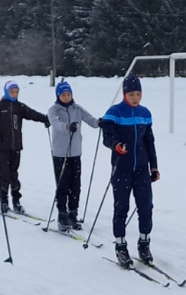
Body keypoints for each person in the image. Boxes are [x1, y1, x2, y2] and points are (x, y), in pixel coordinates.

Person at [102, 74, 160, 267]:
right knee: (121, 208)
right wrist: (116, 145)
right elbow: (107, 137)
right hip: (122, 170)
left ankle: (144, 244)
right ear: (124, 94)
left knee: (146, 207)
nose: (135, 98)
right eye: (131, 94)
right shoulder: (115, 112)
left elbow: (149, 142)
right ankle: (120, 246)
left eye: (138, 94)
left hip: (141, 170)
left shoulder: (145, 113)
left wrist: (154, 166)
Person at [0, 80, 50, 214]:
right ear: (6, 92)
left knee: (14, 174)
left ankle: (16, 202)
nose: (14, 94)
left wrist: (44, 118)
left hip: (16, 146)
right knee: (4, 174)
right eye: (11, 92)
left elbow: (32, 114)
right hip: (3, 146)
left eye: (16, 92)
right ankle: (3, 202)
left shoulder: (20, 107)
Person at [47, 81, 101, 231]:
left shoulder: (77, 108)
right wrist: (67, 126)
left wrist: (100, 123)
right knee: (62, 185)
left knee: (75, 186)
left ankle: (73, 214)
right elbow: (55, 124)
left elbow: (90, 119)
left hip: (75, 153)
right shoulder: (54, 110)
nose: (66, 97)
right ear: (58, 95)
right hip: (60, 153)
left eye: (68, 94)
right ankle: (62, 216)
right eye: (63, 94)